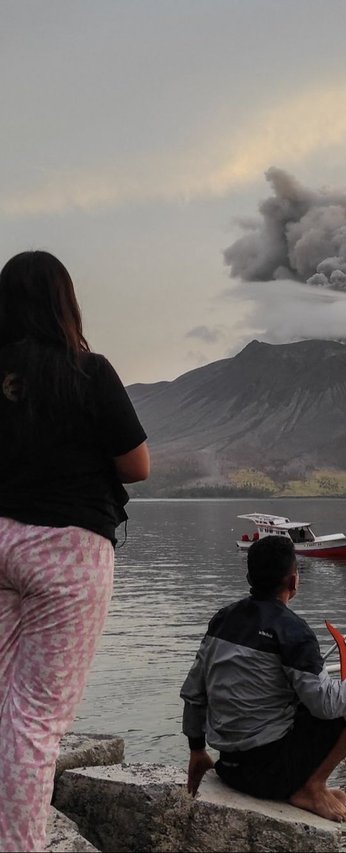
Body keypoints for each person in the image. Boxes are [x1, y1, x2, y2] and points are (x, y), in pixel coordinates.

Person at [0, 250, 150, 853]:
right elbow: (136, 466)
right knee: (35, 720)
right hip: (69, 550)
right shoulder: (88, 370)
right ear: (66, 303)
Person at [181, 535, 346, 823]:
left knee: (296, 699)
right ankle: (312, 787)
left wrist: (197, 750)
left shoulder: (223, 620)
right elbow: (326, 706)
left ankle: (313, 785)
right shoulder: (293, 631)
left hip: (229, 768)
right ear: (293, 582)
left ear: (249, 578)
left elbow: (194, 692)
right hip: (270, 776)